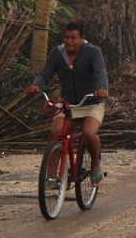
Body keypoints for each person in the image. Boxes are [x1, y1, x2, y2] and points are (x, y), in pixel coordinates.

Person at [26, 21, 109, 186]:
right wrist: (37, 84)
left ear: (82, 38)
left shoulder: (93, 52)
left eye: (73, 38)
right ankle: (50, 174)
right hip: (68, 104)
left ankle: (95, 164)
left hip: (91, 102)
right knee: (55, 131)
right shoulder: (58, 53)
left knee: (89, 133)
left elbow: (100, 73)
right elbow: (45, 73)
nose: (69, 41)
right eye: (66, 37)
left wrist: (101, 88)